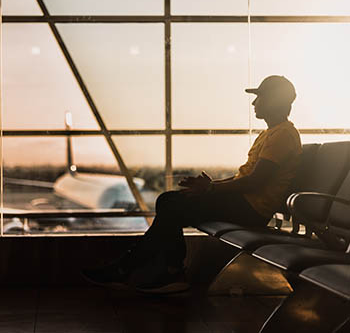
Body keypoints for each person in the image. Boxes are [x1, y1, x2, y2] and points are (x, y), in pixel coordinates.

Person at [82, 75, 302, 294]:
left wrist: (212, 189)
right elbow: (246, 178)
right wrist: (210, 186)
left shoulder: (282, 135)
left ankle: (141, 270)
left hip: (251, 209)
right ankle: (162, 270)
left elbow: (255, 182)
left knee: (171, 205)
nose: (254, 103)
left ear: (273, 100)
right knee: (169, 201)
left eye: (259, 97)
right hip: (244, 203)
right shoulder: (272, 134)